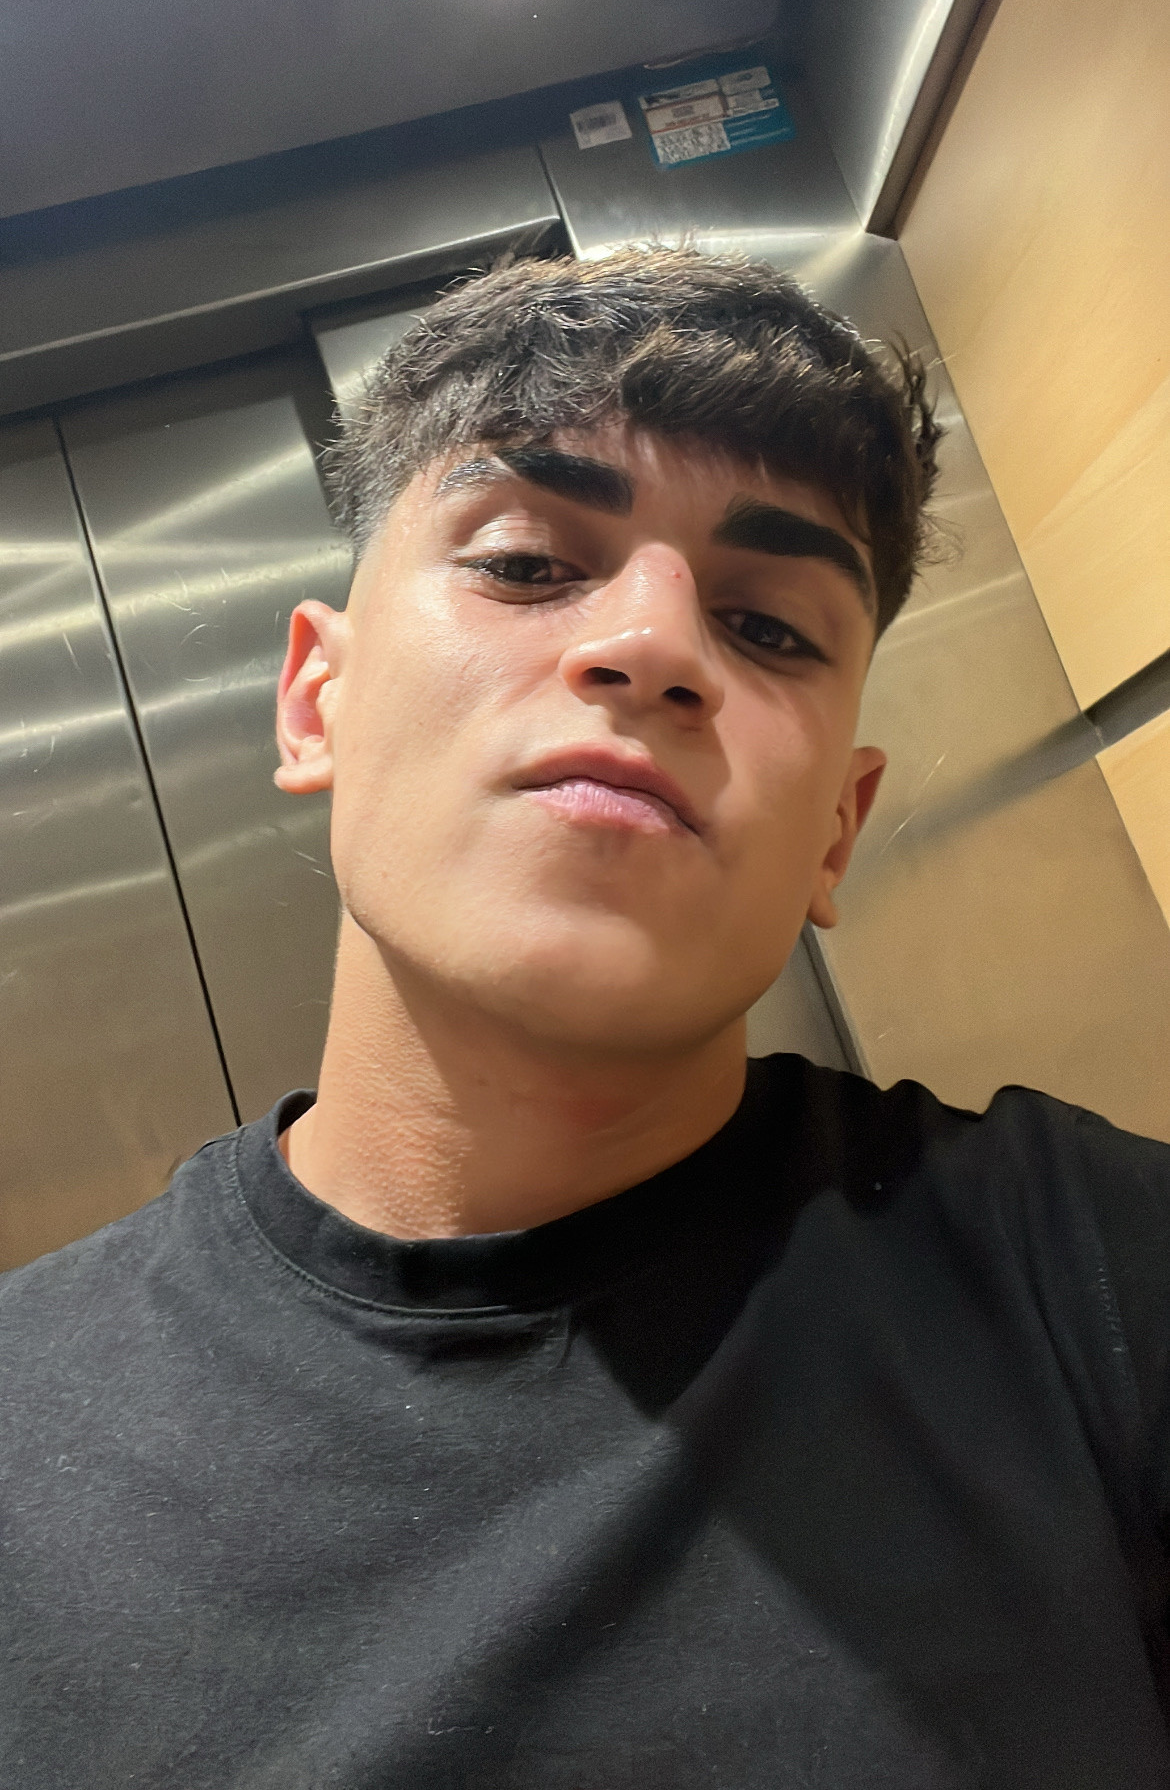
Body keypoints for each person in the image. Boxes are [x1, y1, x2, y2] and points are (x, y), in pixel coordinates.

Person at [2, 247, 1169, 1790]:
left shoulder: (1087, 1276)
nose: (656, 647)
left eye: (768, 629)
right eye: (525, 564)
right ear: (316, 700)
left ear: (834, 831)